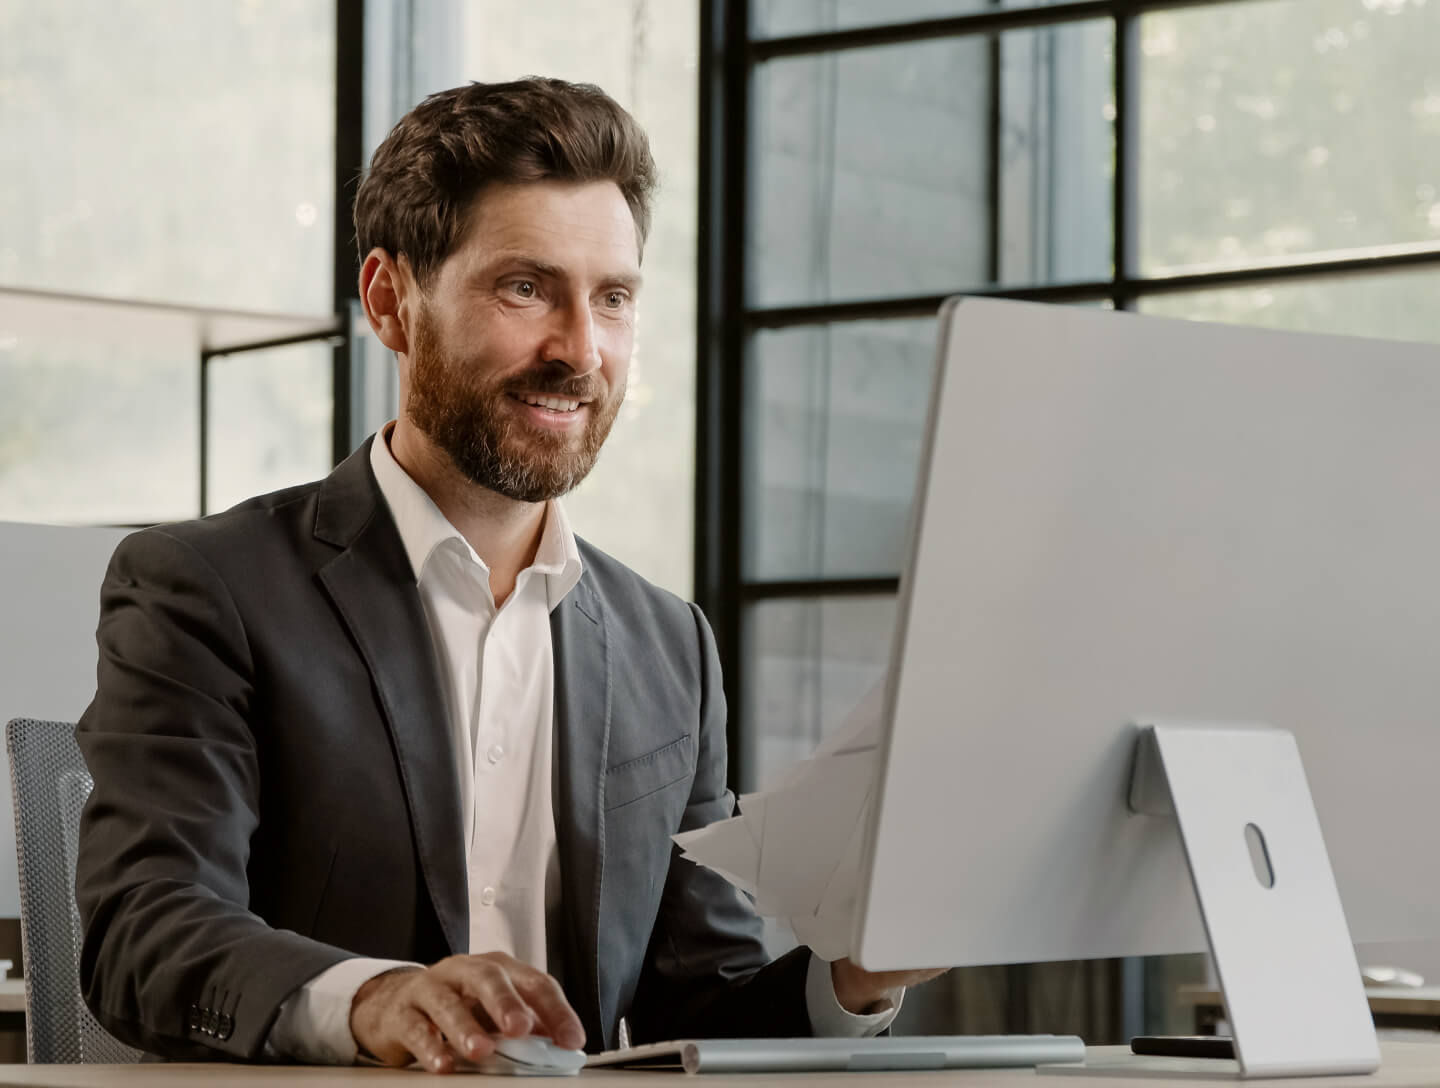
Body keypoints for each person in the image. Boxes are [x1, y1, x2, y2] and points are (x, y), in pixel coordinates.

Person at [75, 78, 941, 1072]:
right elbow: (146, 933)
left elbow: (700, 1006)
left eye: (612, 297)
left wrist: (854, 976)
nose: (581, 349)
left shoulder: (671, 646)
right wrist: (376, 996)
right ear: (391, 302)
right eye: (526, 287)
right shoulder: (205, 588)